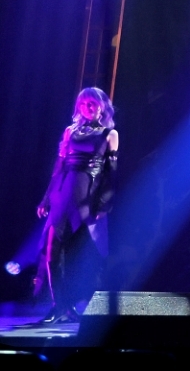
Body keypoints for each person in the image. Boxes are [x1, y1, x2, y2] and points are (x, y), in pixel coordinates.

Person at [35, 88, 118, 323]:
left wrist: (104, 203)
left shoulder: (110, 134)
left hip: (86, 198)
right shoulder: (69, 131)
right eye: (83, 104)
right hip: (62, 196)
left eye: (92, 103)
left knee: (77, 255)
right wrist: (46, 199)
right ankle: (58, 305)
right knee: (52, 252)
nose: (87, 107)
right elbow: (58, 169)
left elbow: (111, 173)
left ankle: (72, 305)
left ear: (102, 106)